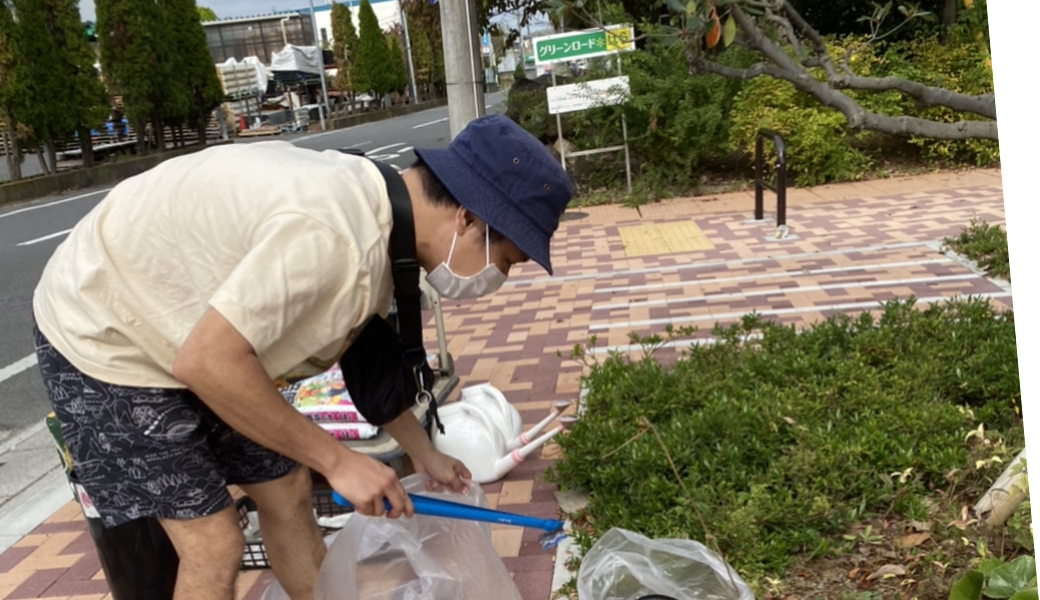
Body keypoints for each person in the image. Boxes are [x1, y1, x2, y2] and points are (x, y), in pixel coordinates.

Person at [31, 114, 575, 600]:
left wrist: (421, 452)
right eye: (509, 258)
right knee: (213, 542)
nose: (501, 277)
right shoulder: (333, 237)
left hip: (193, 329)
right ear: (467, 219)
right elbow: (207, 364)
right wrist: (338, 462)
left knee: (288, 490)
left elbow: (367, 353)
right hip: (105, 329)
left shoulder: (385, 216)